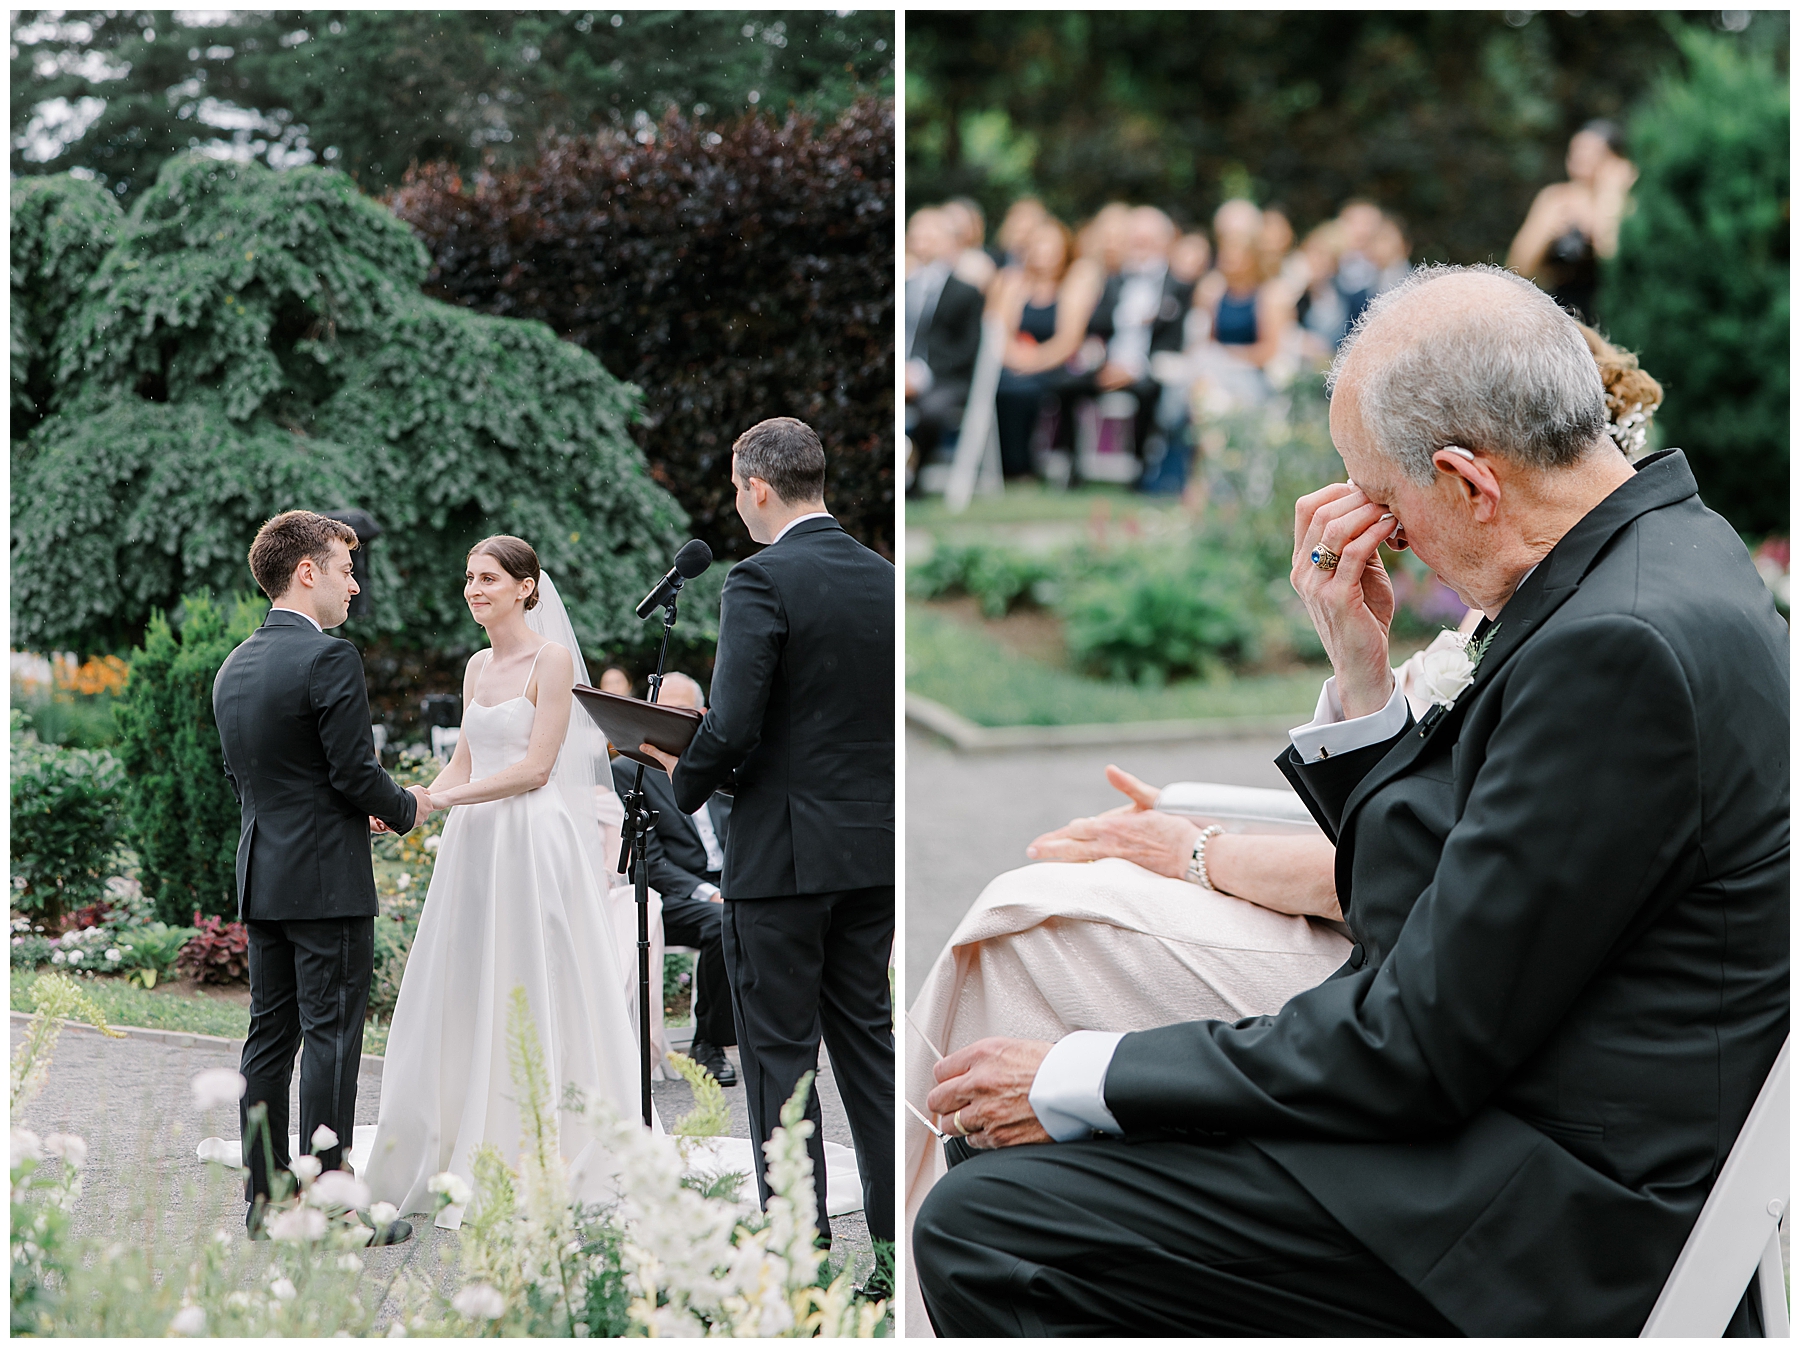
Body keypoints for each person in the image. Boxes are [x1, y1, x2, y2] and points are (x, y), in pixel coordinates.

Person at [911, 265, 1788, 1336]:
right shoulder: (1658, 552)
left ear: (1470, 481)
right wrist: (1362, 677)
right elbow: (1424, 911)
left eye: (1382, 496)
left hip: (1555, 1211)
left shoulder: (1620, 647)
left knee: (990, 1222)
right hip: (1505, 1111)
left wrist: (1076, 1071)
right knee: (1009, 1162)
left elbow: (1414, 1041)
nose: (1373, 528)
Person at [639, 417, 895, 1261]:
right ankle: (895, 1245)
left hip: (783, 860)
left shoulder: (759, 579)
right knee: (866, 1046)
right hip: (873, 852)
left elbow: (735, 722)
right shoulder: (886, 579)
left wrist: (676, 788)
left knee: (780, 1058)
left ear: (756, 487)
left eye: (736, 490)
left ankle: (797, 1245)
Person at [363, 535, 645, 1230]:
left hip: (529, 838)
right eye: (468, 578)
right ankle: (455, 1129)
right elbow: (466, 758)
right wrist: (417, 800)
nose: (473, 589)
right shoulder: (476, 665)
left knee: (530, 977)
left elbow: (535, 768)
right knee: (465, 980)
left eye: (488, 578)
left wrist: (445, 801)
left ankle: (535, 1139)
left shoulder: (551, 662)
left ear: (527, 586)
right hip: (475, 842)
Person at [214, 510, 429, 1244]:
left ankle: (266, 1199)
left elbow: (254, 777)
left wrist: (342, 806)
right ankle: (333, 1207)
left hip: (263, 874)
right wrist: (405, 808)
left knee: (268, 1041)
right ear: (308, 571)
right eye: (344, 569)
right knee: (333, 1039)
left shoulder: (234, 665)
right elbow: (352, 771)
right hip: (327, 883)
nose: (353, 585)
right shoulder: (329, 657)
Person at [610, 672, 737, 1087]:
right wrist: (712, 893)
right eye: (661, 710)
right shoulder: (631, 773)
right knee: (724, 923)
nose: (669, 720)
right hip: (672, 895)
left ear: (701, 716)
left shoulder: (725, 768)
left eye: (680, 712)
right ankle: (708, 1045)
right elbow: (654, 863)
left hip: (733, 883)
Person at [986, 215, 1104, 478]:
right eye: (1039, 246)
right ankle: (1011, 464)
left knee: (1028, 389)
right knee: (1005, 387)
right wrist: (1015, 359)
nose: (1044, 253)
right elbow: (998, 331)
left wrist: (1033, 362)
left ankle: (1025, 464)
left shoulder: (1073, 284)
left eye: (1052, 247)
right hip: (1014, 362)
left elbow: (1068, 339)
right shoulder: (1011, 282)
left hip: (1056, 364)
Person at [1507, 120, 1637, 324]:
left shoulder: (1628, 204)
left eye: (1591, 152)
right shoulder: (1556, 199)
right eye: (1576, 150)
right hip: (1563, 311)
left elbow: (1611, 257)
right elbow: (1517, 267)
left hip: (1616, 315)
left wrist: (1609, 197)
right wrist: (1548, 233)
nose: (1580, 158)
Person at [905, 208, 985, 471]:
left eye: (930, 234)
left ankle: (915, 475)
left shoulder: (966, 292)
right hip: (904, 373)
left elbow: (966, 349)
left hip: (944, 378)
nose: (922, 241)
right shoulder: (904, 284)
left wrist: (920, 374)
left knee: (931, 411)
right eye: (916, 234)